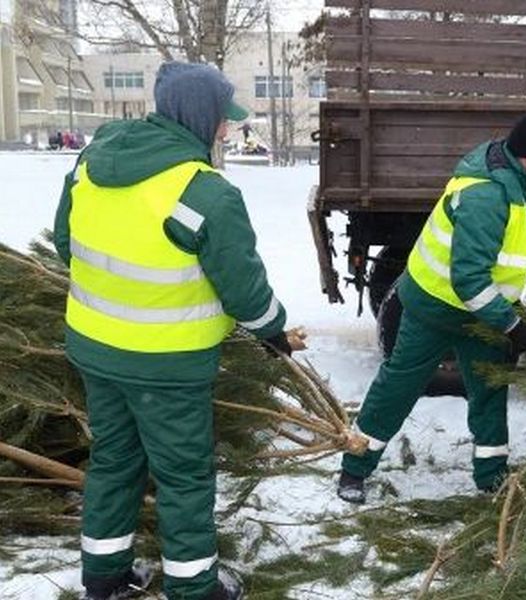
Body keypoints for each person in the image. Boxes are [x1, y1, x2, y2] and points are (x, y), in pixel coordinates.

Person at [54, 61, 293, 600]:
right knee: (184, 477)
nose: (225, 130)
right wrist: (271, 330)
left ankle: (105, 576)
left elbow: (66, 243)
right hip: (167, 366)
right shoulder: (203, 192)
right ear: (198, 116)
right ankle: (193, 588)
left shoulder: (91, 164)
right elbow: (243, 286)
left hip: (95, 350)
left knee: (114, 461)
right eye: (220, 120)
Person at [337, 112, 526, 504]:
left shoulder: (524, 182)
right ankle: (354, 469)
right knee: (398, 387)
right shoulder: (486, 195)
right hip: (434, 308)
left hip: (481, 313)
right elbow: (469, 279)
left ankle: (492, 477)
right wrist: (513, 326)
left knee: (489, 391)